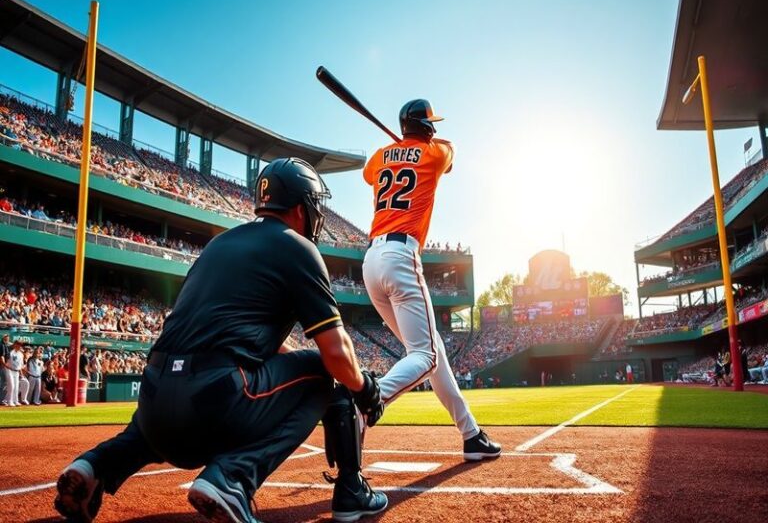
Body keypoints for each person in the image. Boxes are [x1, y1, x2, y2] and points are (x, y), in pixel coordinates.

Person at [55, 158, 388, 523]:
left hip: (153, 402)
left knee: (166, 412)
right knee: (321, 375)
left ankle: (94, 466)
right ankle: (234, 478)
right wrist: (364, 388)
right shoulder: (298, 248)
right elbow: (337, 353)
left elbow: (238, 335)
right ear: (300, 207)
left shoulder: (218, 245)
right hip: (215, 404)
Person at [361, 99, 501, 460]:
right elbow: (449, 152)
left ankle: (471, 434)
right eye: (431, 124)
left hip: (371, 262)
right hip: (401, 256)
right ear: (425, 127)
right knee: (425, 354)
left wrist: (398, 150)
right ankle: (365, 401)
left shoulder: (380, 156)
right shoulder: (436, 153)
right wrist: (413, 148)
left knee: (432, 351)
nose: (435, 129)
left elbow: (369, 172)